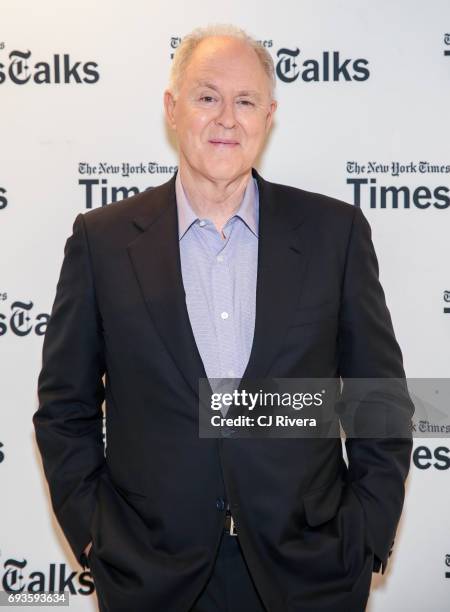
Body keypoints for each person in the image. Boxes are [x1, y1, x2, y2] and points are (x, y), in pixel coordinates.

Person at [33, 23, 414, 612]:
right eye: (207, 96)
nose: (226, 118)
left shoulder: (334, 235)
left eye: (245, 101)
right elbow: (65, 410)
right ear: (172, 108)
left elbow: (379, 401)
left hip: (310, 574)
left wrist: (363, 534)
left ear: (269, 115)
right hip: (152, 577)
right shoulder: (101, 243)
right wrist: (97, 536)